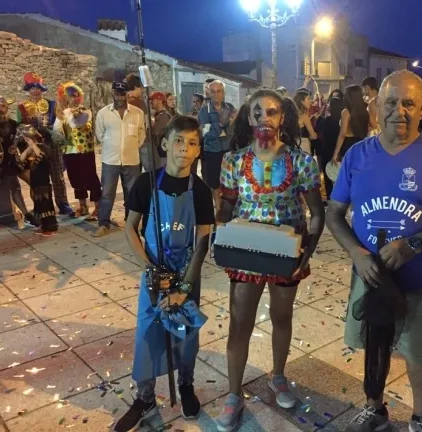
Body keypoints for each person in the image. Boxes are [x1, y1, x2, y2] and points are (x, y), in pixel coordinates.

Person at [326, 70, 422, 432]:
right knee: (373, 344)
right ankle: (374, 409)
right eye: (391, 102)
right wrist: (356, 254)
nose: (399, 111)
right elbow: (334, 212)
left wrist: (412, 245)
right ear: (376, 107)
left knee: (418, 353)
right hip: (371, 276)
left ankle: (420, 418)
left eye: (409, 103)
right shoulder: (358, 155)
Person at [214, 89, 325, 432]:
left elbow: (317, 212)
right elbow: (225, 209)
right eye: (258, 112)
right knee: (239, 323)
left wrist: (308, 250)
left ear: (282, 118)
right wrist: (220, 237)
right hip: (245, 253)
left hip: (285, 255)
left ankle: (278, 376)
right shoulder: (233, 161)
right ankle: (234, 394)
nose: (265, 118)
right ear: (248, 118)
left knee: (281, 317)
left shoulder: (302, 162)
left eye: (272, 112)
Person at [114, 115, 213, 432]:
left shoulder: (200, 190)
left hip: (186, 273)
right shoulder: (146, 184)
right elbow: (130, 229)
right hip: (154, 274)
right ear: (165, 143)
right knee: (148, 332)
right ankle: (144, 398)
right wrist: (149, 268)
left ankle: (186, 385)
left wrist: (184, 287)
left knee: (185, 335)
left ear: (198, 151)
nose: (185, 148)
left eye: (192, 143)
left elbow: (203, 241)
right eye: (179, 140)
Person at [17, 72, 73, 216]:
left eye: (38, 88)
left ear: (42, 89)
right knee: (37, 178)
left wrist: (48, 131)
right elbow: (19, 126)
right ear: (28, 90)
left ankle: (63, 204)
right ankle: (40, 206)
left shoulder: (53, 105)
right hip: (33, 147)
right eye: (32, 88)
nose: (35, 91)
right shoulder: (22, 107)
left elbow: (59, 123)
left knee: (57, 176)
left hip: (52, 144)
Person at [94, 81, 146, 237]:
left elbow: (141, 134)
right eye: (117, 94)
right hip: (110, 160)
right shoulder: (103, 113)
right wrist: (113, 146)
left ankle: (130, 222)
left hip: (132, 160)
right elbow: (100, 134)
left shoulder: (137, 113)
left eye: (123, 94)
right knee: (107, 193)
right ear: (113, 94)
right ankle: (103, 223)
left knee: (131, 193)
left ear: (127, 95)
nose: (120, 97)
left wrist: (131, 147)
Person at [54, 82, 102, 219]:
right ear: (65, 98)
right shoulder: (63, 114)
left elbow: (75, 124)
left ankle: (98, 208)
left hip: (85, 151)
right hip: (70, 152)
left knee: (91, 178)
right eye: (71, 96)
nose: (75, 98)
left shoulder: (85, 111)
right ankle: (83, 207)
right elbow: (56, 132)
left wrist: (66, 112)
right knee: (76, 180)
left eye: (77, 95)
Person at [0, 96, 36, 226]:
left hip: (12, 160)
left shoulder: (13, 124)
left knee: (34, 182)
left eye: (3, 106)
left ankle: (35, 211)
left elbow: (21, 141)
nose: (0, 109)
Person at [198, 80, 236, 210]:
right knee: (214, 183)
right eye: (213, 92)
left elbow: (234, 130)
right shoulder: (204, 111)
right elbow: (207, 133)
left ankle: (228, 209)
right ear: (209, 93)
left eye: (219, 91)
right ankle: (218, 211)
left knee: (230, 181)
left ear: (223, 93)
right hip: (212, 151)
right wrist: (224, 124)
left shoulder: (230, 107)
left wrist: (217, 127)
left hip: (228, 150)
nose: (216, 94)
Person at [16, 125, 59, 236]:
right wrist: (28, 148)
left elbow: (43, 157)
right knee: (39, 206)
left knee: (46, 205)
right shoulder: (30, 149)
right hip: (35, 183)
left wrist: (33, 145)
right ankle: (44, 226)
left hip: (43, 182)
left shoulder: (43, 147)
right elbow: (20, 160)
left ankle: (51, 227)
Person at [332, 84, 369, 162]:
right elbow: (374, 125)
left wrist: (336, 153)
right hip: (362, 144)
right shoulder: (365, 110)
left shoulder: (346, 112)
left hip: (348, 145)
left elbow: (342, 134)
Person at [321, 96, 343, 200]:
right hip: (339, 149)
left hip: (327, 149)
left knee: (328, 175)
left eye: (329, 104)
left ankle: (330, 198)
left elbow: (323, 135)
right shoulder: (342, 121)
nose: (327, 105)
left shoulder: (328, 120)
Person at [149, 91, 173, 169]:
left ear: (159, 101)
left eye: (152, 100)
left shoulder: (164, 116)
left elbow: (153, 132)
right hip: (159, 152)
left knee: (161, 172)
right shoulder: (157, 114)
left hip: (163, 153)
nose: (151, 102)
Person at [294, 89, 318, 154]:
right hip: (303, 147)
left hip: (292, 147)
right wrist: (315, 134)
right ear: (302, 101)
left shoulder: (291, 115)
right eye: (308, 99)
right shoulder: (304, 117)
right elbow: (313, 136)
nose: (311, 101)